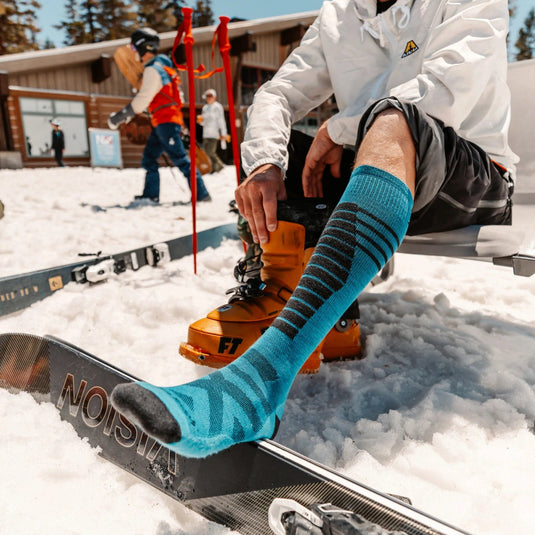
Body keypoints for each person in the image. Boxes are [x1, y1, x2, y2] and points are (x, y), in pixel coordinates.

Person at [111, 0, 517, 458]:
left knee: (393, 116)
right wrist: (265, 163)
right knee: (283, 157)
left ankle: (261, 381)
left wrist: (339, 130)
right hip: (377, 154)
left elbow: (443, 92)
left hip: (470, 178)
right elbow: (276, 94)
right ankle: (298, 307)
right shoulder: (341, 12)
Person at [108, 28, 211, 203]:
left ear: (142, 47)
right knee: (149, 158)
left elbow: (142, 99)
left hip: (166, 122)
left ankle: (202, 195)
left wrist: (119, 116)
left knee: (180, 159)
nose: (133, 53)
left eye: (134, 48)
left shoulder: (153, 69)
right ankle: (151, 195)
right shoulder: (166, 69)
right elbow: (172, 98)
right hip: (163, 121)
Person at [198, 89, 229, 173]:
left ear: (214, 97)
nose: (208, 98)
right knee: (206, 152)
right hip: (206, 134)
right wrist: (201, 121)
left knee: (211, 152)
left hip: (214, 134)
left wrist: (223, 133)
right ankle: (211, 168)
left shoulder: (218, 107)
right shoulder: (205, 108)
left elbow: (221, 120)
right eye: (207, 96)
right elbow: (204, 122)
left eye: (210, 96)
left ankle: (219, 165)